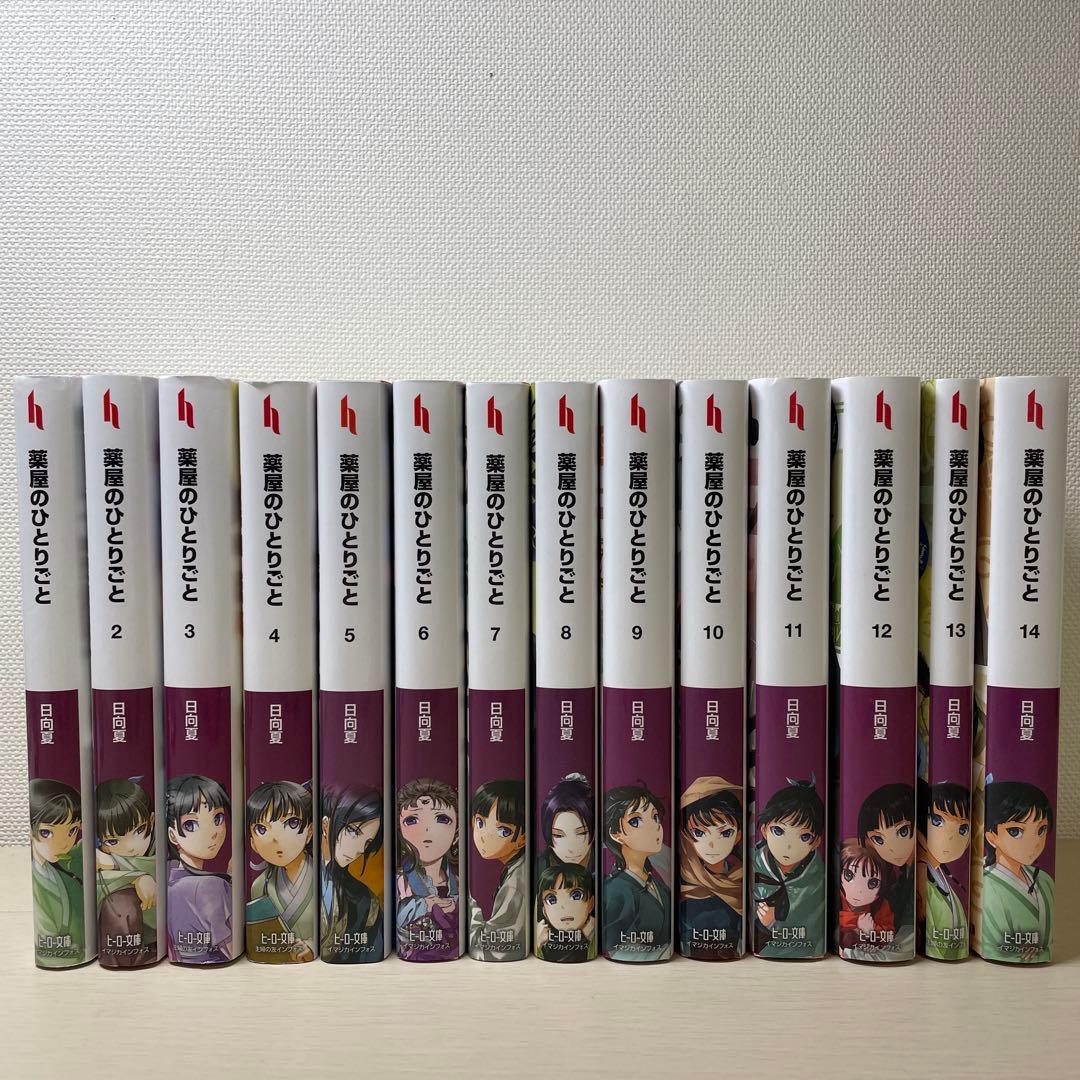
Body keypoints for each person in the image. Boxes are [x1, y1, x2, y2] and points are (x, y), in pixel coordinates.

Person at [979, 779, 1054, 963]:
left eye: (1041, 830)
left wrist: (1040, 951)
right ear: (992, 836)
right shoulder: (987, 885)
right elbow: (995, 945)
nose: (1033, 842)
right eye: (1016, 831)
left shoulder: (1045, 880)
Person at [752, 779, 825, 957]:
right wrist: (765, 924)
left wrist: (772, 922)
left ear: (816, 842)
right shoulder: (753, 864)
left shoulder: (819, 879)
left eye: (804, 836)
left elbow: (815, 933)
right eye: (778, 831)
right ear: (764, 829)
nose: (788, 846)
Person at [165, 774, 233, 963]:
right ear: (172, 835)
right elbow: (230, 948)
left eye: (218, 818)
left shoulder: (169, 880)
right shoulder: (210, 886)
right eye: (191, 824)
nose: (212, 832)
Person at [246, 780, 315, 962]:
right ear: (253, 842)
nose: (276, 839)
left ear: (309, 831)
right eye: (262, 829)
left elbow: (337, 925)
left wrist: (312, 946)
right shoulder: (260, 886)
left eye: (292, 823)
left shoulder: (324, 879)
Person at [602, 784, 671, 961]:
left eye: (655, 817)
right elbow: (615, 948)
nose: (654, 827)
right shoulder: (615, 890)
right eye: (636, 821)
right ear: (615, 833)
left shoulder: (658, 885)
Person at [95, 777, 158, 968]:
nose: (130, 847)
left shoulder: (161, 849)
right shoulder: (101, 858)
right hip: (126, 941)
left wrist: (116, 864)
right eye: (113, 841)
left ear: (152, 821)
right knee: (118, 901)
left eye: (139, 830)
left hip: (160, 936)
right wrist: (136, 877)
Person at [678, 776, 742, 958]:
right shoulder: (684, 881)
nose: (712, 845)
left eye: (726, 833)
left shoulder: (741, 878)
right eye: (699, 833)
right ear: (686, 836)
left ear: (738, 836)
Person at [396, 778, 459, 961]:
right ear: (399, 830)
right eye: (411, 820)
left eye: (442, 819)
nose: (427, 830)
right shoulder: (401, 881)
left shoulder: (457, 880)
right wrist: (424, 905)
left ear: (457, 832)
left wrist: (454, 905)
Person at [320, 784, 384, 963]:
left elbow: (371, 951)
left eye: (367, 842)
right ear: (326, 825)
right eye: (353, 831)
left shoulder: (365, 900)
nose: (359, 849)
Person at [29, 779, 85, 967]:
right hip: (61, 954)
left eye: (72, 831)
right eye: (47, 833)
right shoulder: (41, 878)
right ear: (30, 829)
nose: (62, 844)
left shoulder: (62, 864)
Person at [469, 779, 527, 960]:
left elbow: (489, 949)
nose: (484, 836)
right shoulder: (516, 868)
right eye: (480, 823)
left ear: (523, 838)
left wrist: (468, 905)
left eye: (503, 831)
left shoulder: (516, 884)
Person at [857, 783, 916, 953]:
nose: (892, 848)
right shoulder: (898, 880)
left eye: (903, 832)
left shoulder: (918, 876)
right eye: (879, 839)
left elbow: (905, 938)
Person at [916, 779, 970, 960]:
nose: (950, 837)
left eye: (963, 829)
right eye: (937, 821)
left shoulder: (944, 875)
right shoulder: (920, 875)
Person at [838, 839, 894, 958]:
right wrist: (856, 922)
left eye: (872, 883)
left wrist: (872, 929)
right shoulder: (837, 898)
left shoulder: (880, 905)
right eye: (849, 875)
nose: (859, 890)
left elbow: (889, 934)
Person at [535, 862, 595, 962]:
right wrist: (538, 942)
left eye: (576, 895)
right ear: (544, 910)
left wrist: (593, 938)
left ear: (591, 903)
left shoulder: (592, 934)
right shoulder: (542, 939)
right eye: (552, 899)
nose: (564, 907)